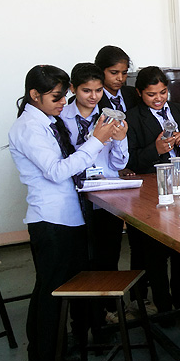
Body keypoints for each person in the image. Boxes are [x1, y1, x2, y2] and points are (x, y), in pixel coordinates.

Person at [8, 64, 120, 361]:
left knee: (48, 291)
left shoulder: (44, 121)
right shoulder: (30, 127)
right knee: (53, 296)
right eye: (56, 97)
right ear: (35, 95)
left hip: (63, 217)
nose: (62, 102)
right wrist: (96, 141)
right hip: (51, 220)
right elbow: (57, 171)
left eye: (63, 96)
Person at [125, 66, 180, 324]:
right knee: (155, 251)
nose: (158, 99)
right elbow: (129, 161)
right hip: (151, 192)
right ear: (139, 93)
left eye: (163, 92)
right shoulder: (132, 118)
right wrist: (156, 149)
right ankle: (163, 303)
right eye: (151, 94)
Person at [62, 63, 129, 326]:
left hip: (105, 196)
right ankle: (82, 320)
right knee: (80, 262)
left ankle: (107, 312)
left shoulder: (108, 117)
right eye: (86, 90)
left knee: (108, 257)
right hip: (74, 199)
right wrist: (95, 139)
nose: (93, 96)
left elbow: (119, 163)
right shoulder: (59, 118)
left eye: (98, 90)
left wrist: (120, 139)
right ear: (72, 89)